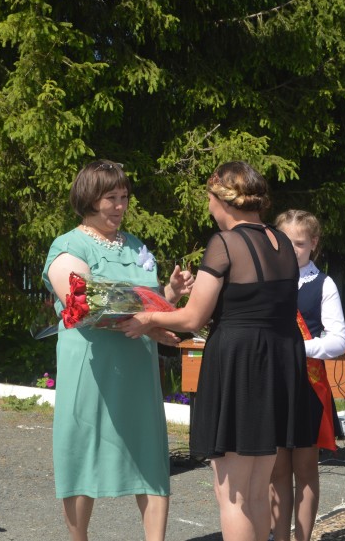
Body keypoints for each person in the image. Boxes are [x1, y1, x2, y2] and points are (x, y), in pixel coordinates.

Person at [121, 161, 316, 541]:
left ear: (222, 199)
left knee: (232, 494)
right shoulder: (281, 243)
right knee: (257, 490)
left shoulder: (225, 243)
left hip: (240, 365)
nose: (208, 204)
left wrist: (147, 318)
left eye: (209, 196)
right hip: (278, 364)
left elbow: (194, 317)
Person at [42, 159, 194, 541]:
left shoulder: (136, 245)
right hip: (92, 366)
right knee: (82, 453)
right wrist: (150, 322)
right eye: (111, 198)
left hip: (137, 365)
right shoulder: (68, 246)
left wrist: (171, 295)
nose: (120, 205)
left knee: (150, 454)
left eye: (124, 197)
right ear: (90, 198)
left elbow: (148, 303)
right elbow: (83, 304)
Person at [270, 209, 345, 541]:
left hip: (306, 388)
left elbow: (338, 341)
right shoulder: (265, 280)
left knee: (304, 470)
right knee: (275, 472)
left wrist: (298, 348)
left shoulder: (323, 284)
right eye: (285, 242)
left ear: (314, 243)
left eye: (299, 244)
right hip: (272, 386)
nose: (292, 250)